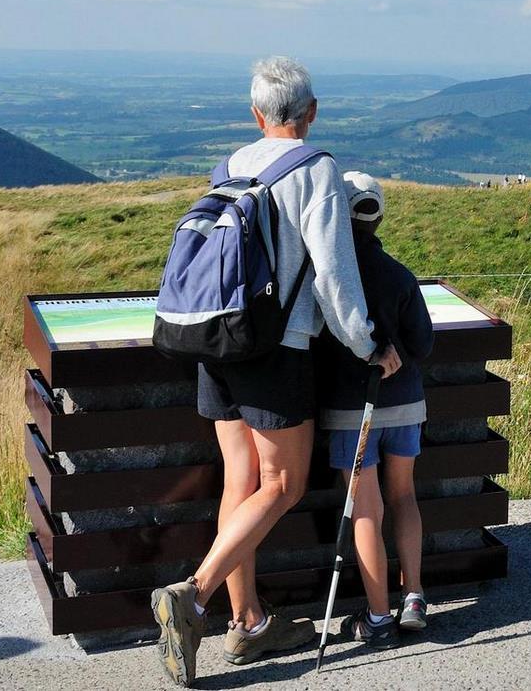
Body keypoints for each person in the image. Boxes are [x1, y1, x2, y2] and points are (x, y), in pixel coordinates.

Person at [150, 57, 400, 687]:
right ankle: (193, 595)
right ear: (312, 112)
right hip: (276, 350)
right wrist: (369, 344)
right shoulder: (316, 170)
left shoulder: (231, 165)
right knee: (282, 484)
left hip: (216, 340)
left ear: (256, 114)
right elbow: (335, 276)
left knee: (243, 480)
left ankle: (250, 624)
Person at [315, 172, 435, 648]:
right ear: (379, 216)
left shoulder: (329, 277)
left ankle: (379, 616)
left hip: (351, 409)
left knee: (365, 506)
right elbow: (422, 344)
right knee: (403, 494)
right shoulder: (401, 275)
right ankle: (414, 595)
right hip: (405, 403)